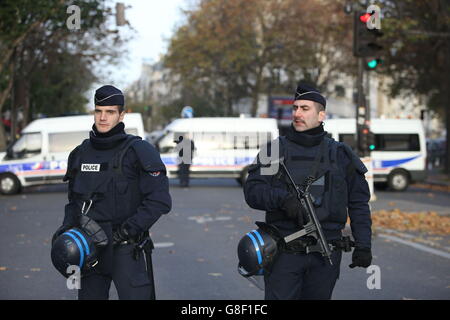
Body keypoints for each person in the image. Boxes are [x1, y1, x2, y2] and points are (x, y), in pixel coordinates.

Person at [243, 83, 372, 300]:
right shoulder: (275, 150)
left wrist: (364, 244)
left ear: (321, 115)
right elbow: (253, 192)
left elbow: (359, 203)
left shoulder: (341, 154)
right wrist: (283, 199)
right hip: (283, 251)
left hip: (326, 252)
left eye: (305, 108)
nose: (297, 113)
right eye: (295, 108)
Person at [52, 85, 172, 300]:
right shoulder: (80, 153)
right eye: (99, 111)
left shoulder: (138, 151)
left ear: (122, 114)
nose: (103, 117)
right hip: (88, 250)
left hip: (125, 249)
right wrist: (65, 231)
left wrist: (127, 232)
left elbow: (159, 200)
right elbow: (74, 201)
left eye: (110, 112)